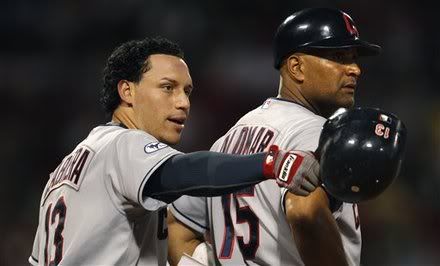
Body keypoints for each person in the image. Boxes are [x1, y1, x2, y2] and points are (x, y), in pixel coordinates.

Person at [28, 36, 320, 266]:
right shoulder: (123, 144)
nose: (183, 102)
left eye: (188, 91)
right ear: (127, 91)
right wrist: (271, 162)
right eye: (168, 88)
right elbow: (183, 172)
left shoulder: (63, 171)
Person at [168, 7, 381, 266]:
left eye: (353, 57)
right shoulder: (316, 133)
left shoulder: (228, 139)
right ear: (296, 67)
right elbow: (305, 212)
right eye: (338, 56)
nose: (355, 69)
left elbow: (176, 224)